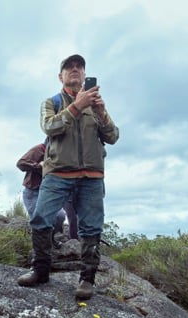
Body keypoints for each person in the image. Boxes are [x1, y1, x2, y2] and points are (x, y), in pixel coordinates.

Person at [17, 54, 119, 301]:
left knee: (91, 227)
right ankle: (40, 270)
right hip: (57, 173)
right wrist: (77, 106)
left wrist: (101, 112)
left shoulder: (96, 105)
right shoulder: (51, 102)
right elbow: (49, 127)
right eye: (68, 67)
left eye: (79, 67)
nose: (74, 70)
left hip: (92, 176)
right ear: (60, 76)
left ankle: (87, 279)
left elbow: (113, 136)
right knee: (41, 218)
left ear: (85, 75)